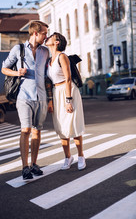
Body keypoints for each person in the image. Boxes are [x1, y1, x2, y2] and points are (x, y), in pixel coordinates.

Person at [1, 20, 49, 180]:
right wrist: (17, 73)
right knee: (26, 130)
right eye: (44, 33)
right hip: (24, 96)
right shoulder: (18, 49)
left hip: (41, 97)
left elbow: (48, 75)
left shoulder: (45, 51)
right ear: (35, 33)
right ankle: (25, 167)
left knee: (37, 131)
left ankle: (34, 164)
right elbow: (4, 68)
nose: (45, 36)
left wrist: (51, 98)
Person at [45, 32, 86, 170]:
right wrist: (50, 101)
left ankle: (81, 156)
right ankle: (68, 157)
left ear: (57, 42)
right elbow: (49, 83)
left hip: (68, 91)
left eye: (50, 37)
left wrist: (69, 100)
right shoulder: (49, 60)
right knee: (61, 126)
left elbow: (68, 78)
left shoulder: (62, 57)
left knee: (73, 125)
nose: (47, 38)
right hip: (57, 93)